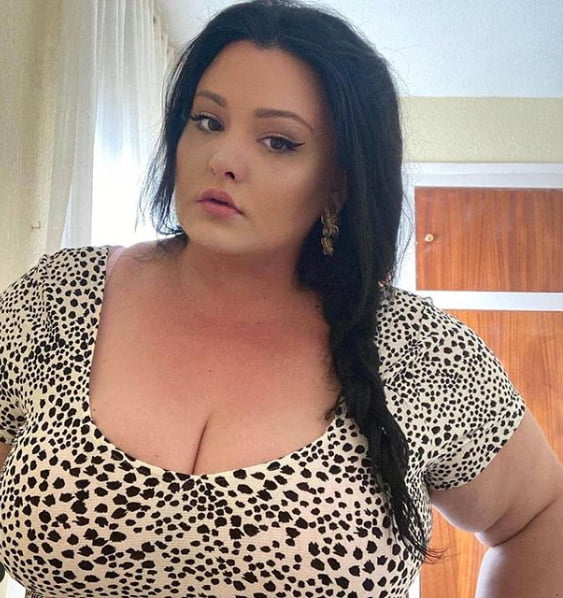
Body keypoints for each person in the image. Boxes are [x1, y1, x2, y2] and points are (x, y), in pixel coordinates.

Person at [0, 0, 561, 596]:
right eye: (207, 121)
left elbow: (539, 515)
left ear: (339, 182)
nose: (223, 159)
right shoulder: (58, 298)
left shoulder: (419, 352)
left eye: (278, 141)